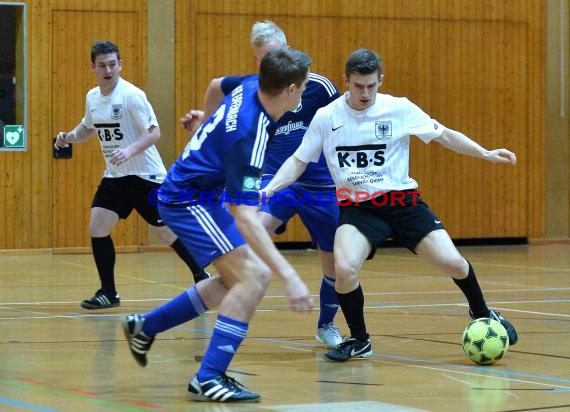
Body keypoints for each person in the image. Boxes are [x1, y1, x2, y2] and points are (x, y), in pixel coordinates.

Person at [263, 48, 519, 362]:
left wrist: (485, 153)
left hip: (402, 203)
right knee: (344, 269)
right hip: (358, 209)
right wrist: (270, 189)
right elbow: (298, 161)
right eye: (358, 86)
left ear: (381, 80)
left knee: (453, 262)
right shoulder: (327, 117)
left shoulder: (399, 109)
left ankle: (482, 312)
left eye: (371, 85)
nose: (366, 93)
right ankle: (360, 339)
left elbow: (444, 136)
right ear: (346, 81)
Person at [121, 48, 314, 403]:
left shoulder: (253, 84)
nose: (302, 95)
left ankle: (146, 326)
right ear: (290, 90)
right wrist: (292, 276)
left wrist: (205, 125)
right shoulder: (250, 135)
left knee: (234, 279)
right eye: (302, 88)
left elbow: (216, 89)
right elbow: (245, 216)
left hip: (206, 191)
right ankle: (208, 377)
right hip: (189, 199)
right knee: (254, 276)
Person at [182, 20, 343, 348]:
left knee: (336, 265)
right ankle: (227, 330)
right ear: (257, 62)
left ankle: (326, 323)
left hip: (319, 184)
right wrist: (207, 122)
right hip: (274, 179)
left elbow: (344, 121)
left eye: (277, 54)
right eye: (264, 59)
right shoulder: (254, 87)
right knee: (246, 240)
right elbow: (215, 86)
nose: (273, 64)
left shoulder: (319, 87)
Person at [54, 40, 209, 310]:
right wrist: (68, 138)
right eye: (102, 65)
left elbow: (154, 131)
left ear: (120, 65)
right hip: (115, 177)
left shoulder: (131, 95)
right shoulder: (93, 97)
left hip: (145, 176)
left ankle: (201, 275)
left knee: (164, 232)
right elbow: (87, 128)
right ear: (93, 68)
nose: (108, 70)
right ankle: (108, 293)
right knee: (97, 226)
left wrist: (129, 150)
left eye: (113, 64)